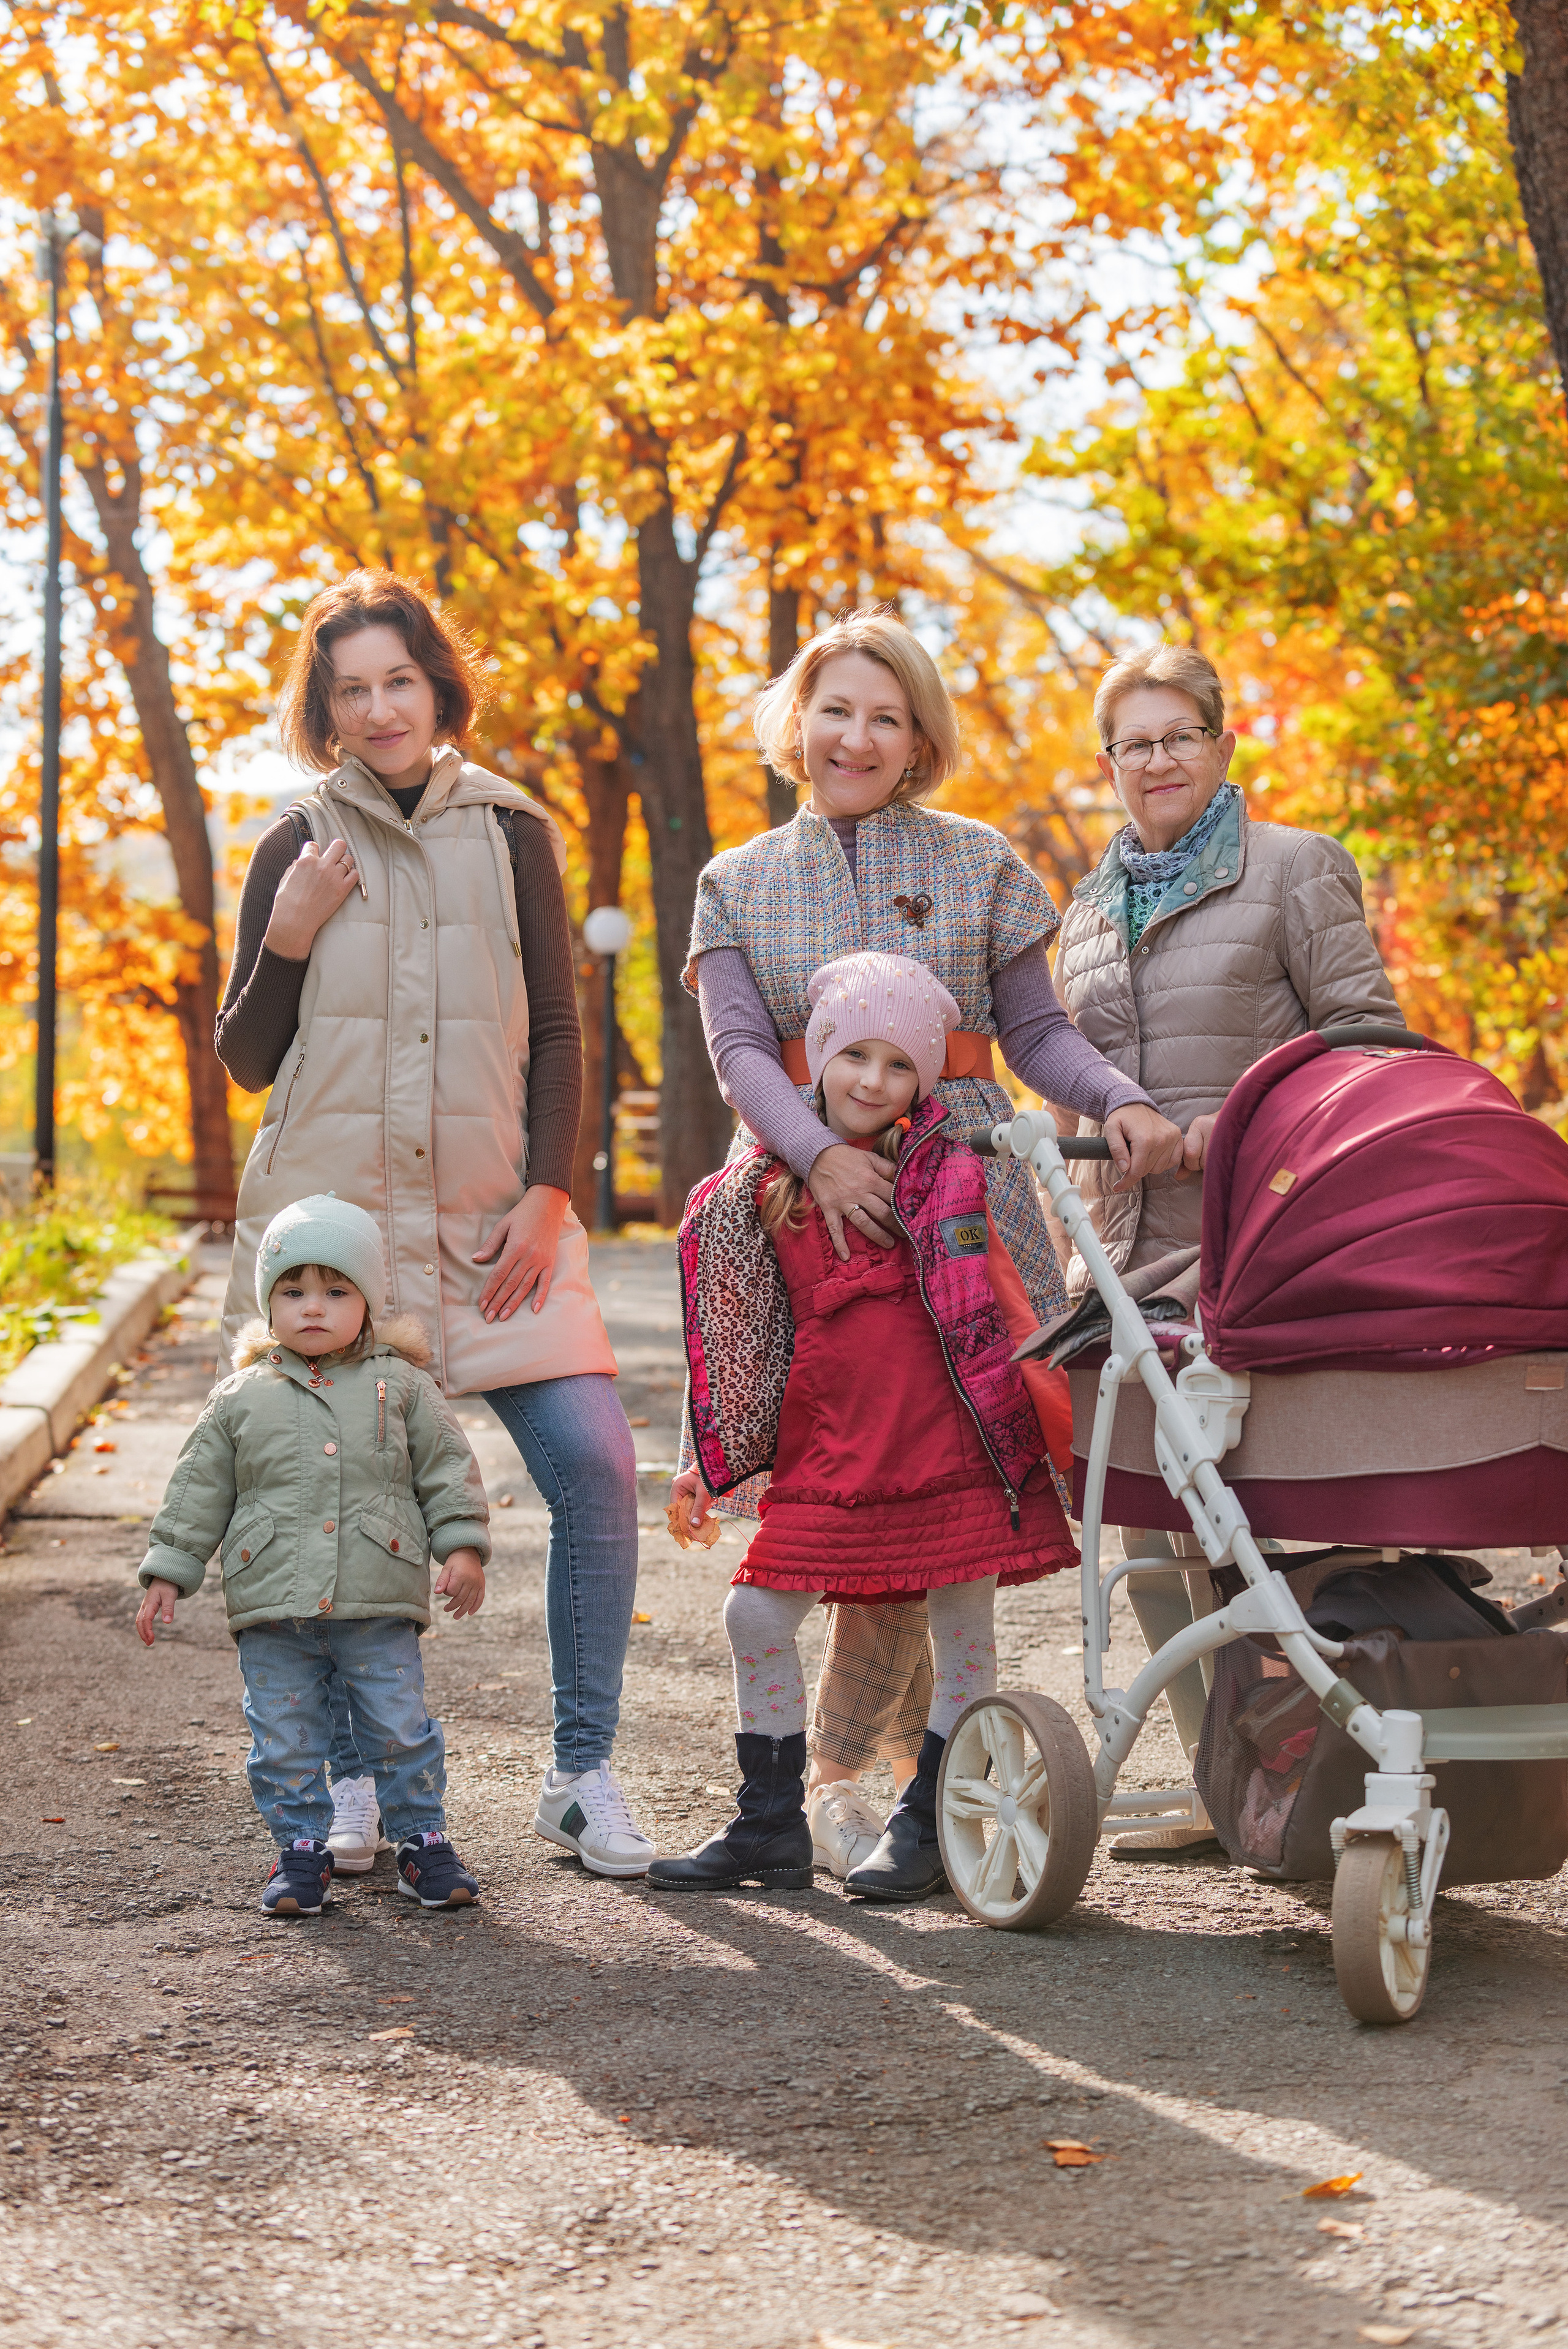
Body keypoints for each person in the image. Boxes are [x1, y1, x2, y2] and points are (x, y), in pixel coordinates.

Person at [684, 609, 1183, 1872]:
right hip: (804, 1201)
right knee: (841, 1481)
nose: (856, 737)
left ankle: (901, 1798)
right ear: (796, 721)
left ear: (919, 740)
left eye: (886, 717)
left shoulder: (978, 862)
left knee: (947, 1492)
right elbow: (739, 1050)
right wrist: (816, 1153)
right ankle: (848, 1790)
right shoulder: (736, 879)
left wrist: (1117, 1097)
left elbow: (1035, 1032)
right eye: (835, 710)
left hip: (961, 1199)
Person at [214, 571, 651, 1879]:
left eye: (398, 679)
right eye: (351, 689)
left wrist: (549, 1194)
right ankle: (353, 1780)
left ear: (437, 686)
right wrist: (288, 939)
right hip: (341, 1249)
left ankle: (580, 1773)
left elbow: (560, 1031)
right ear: (326, 711)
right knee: (339, 1511)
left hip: (492, 1229)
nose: (379, 708)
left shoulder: (512, 830)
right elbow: (246, 1058)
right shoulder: (294, 844)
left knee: (596, 1470)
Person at [1052, 641, 1404, 1854]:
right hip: (1121, 1264)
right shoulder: (1082, 915)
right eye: (1133, 742)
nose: (1155, 759)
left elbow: (1368, 1051)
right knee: (1151, 1529)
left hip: (1261, 1247)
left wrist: (1234, 1132)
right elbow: (1067, 1084)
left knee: (1280, 1513)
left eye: (1178, 735)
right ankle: (1232, 1786)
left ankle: (1338, 1769)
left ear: (1221, 744)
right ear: (1109, 762)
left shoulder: (1294, 868)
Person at [650, 952, 1078, 1902]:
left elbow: (998, 1302)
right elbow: (738, 1340)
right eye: (855, 1055)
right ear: (819, 1059)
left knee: (963, 1624)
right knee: (755, 1612)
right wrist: (705, 1460)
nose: (873, 1080)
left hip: (948, 1439)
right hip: (833, 1446)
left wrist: (1042, 1423)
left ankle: (931, 1819)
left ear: (923, 1082)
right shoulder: (767, 1184)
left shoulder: (945, 1172)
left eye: (899, 1065)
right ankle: (770, 1820)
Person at [135, 1196, 488, 1915]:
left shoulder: (403, 1386)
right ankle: (300, 1848)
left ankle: (421, 1840)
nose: (314, 1307)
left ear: (369, 1303)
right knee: (284, 1738)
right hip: (274, 1603)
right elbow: (198, 1489)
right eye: (293, 1291)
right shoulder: (240, 1397)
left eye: (336, 1291)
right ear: (269, 1305)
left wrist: (461, 1546)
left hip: (377, 1595)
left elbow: (447, 1471)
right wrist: (170, 1570)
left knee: (399, 1727)